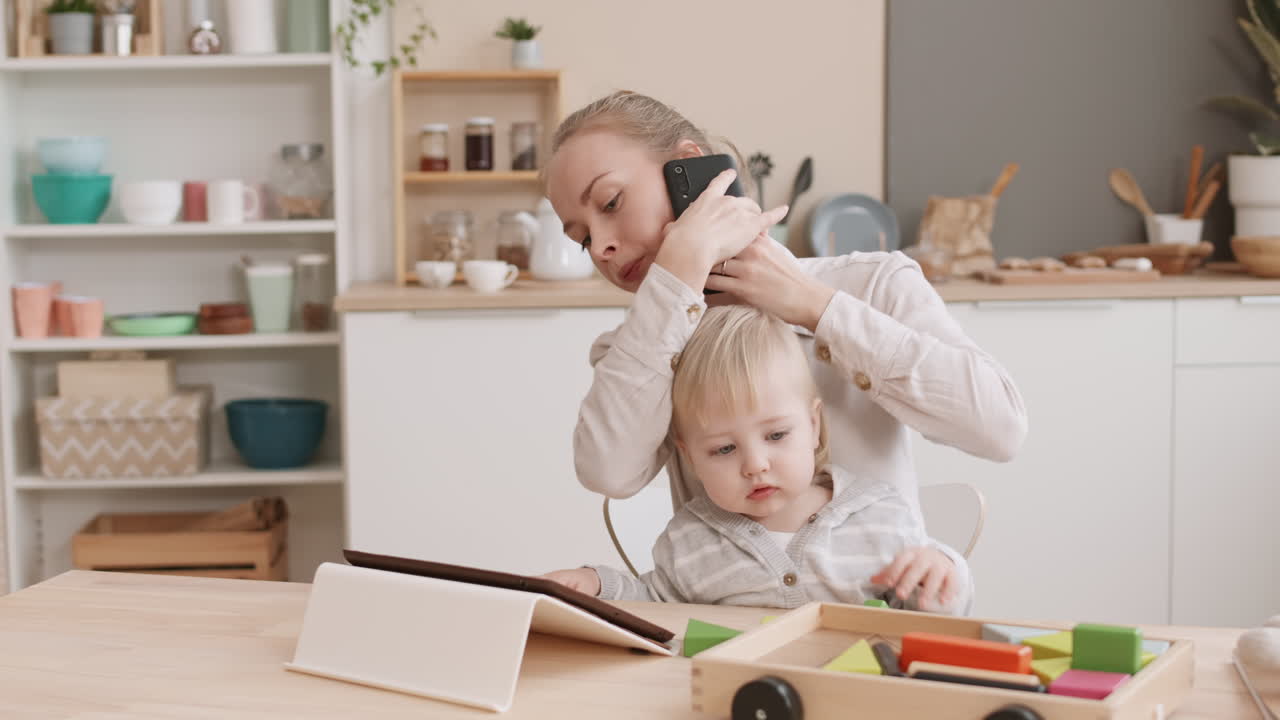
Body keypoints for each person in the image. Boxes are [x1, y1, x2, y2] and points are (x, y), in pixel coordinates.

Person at [544, 91, 1026, 602]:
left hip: (872, 637)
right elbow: (608, 472)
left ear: (686, 167)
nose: (600, 247)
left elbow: (1000, 430)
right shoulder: (634, 347)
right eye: (581, 238)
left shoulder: (873, 283)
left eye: (612, 203)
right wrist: (678, 273)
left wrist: (815, 307)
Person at [543, 305, 972, 614]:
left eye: (777, 435)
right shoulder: (690, 540)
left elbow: (932, 618)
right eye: (724, 449)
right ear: (689, 455)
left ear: (813, 425)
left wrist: (944, 573)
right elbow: (655, 609)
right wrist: (598, 584)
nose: (755, 464)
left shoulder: (880, 515)